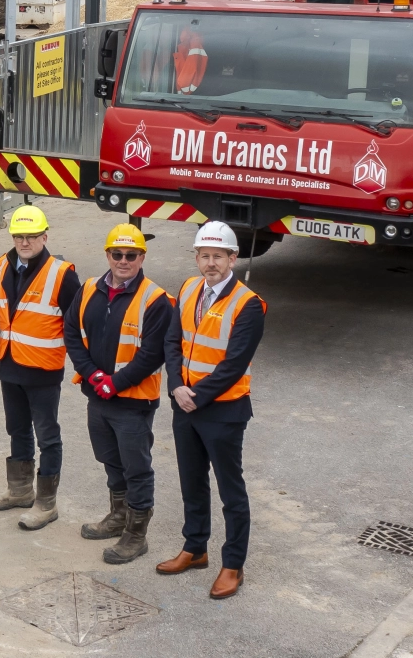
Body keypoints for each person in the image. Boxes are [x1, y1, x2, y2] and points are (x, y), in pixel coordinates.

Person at [157, 220, 267, 601]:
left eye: (218, 256)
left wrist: (196, 396)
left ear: (233, 258)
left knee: (230, 490)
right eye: (204, 256)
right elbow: (172, 340)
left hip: (222, 411)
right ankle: (195, 548)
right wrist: (175, 385)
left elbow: (234, 364)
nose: (210, 263)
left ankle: (233, 564)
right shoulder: (188, 289)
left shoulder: (248, 304)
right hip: (184, 404)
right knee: (191, 481)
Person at [65, 223, 175, 565]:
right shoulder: (87, 290)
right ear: (107, 255)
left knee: (136, 467)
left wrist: (116, 382)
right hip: (97, 395)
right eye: (117, 254)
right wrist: (94, 375)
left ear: (142, 257)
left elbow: (153, 353)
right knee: (110, 460)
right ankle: (118, 515)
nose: (123, 261)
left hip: (133, 401)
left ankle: (136, 534)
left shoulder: (156, 300)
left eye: (131, 255)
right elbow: (71, 332)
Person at [0, 203, 82, 531]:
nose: (24, 242)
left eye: (31, 236)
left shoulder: (61, 273)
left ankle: (46, 503)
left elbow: (76, 322)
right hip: (10, 364)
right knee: (17, 429)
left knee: (47, 435)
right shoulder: (1, 266)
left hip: (43, 369)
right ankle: (20, 490)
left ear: (45, 236)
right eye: (18, 236)